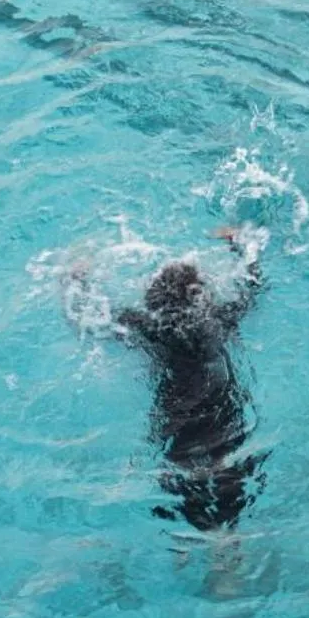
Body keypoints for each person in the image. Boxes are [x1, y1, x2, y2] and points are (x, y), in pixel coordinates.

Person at [114, 227, 268, 533]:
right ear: (202, 298)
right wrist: (242, 247)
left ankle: (187, 543)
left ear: (152, 305)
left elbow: (91, 316)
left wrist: (74, 280)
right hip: (225, 417)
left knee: (180, 483)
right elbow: (253, 287)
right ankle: (227, 548)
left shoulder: (148, 329)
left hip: (176, 424)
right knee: (229, 473)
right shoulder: (220, 321)